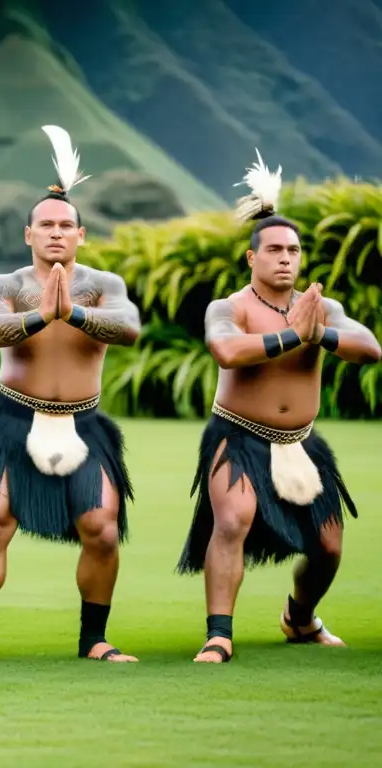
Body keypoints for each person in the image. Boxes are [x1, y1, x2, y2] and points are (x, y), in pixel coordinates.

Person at [0, 126, 141, 664]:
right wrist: (39, 315)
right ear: (29, 234)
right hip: (13, 418)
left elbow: (128, 329)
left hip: (84, 421)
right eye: (45, 225)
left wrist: (71, 312)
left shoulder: (103, 285)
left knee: (101, 528)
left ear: (81, 234)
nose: (55, 233)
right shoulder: (5, 286)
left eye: (65, 226)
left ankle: (93, 639)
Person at [177, 150, 381, 663]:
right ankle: (219, 634)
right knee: (233, 520)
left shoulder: (323, 308)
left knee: (330, 546)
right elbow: (226, 349)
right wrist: (294, 336)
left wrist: (321, 333)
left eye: (293, 249)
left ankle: (300, 619)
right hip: (237, 435)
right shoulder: (229, 307)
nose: (286, 258)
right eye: (274, 250)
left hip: (300, 443)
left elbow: (369, 348)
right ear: (252, 258)